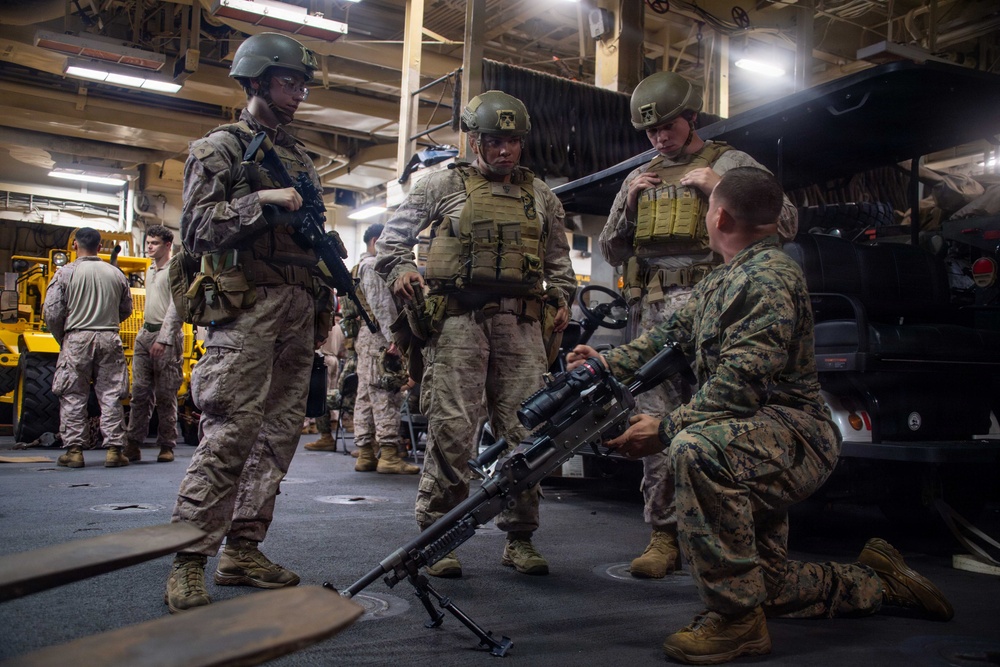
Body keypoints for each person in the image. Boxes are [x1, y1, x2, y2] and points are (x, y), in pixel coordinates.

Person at [569, 167, 953, 664]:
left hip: (794, 436)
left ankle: (736, 623)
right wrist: (604, 363)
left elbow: (737, 389)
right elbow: (665, 339)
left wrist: (664, 430)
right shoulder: (724, 278)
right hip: (754, 435)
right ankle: (879, 581)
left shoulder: (767, 278)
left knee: (696, 450)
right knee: (763, 585)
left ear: (719, 216)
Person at [599, 71, 799, 579]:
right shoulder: (639, 176)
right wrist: (629, 207)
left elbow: (788, 222)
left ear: (692, 118)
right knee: (653, 421)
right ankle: (664, 535)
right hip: (655, 314)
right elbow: (611, 250)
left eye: (668, 126)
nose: (659, 137)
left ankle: (734, 538)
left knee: (725, 421)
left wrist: (721, 189)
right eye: (651, 131)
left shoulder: (731, 164)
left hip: (721, 314)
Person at [165, 32, 334, 613]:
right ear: (256, 81)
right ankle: (189, 560)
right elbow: (196, 231)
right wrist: (261, 202)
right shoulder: (219, 149)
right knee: (229, 434)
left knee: (278, 437)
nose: (299, 95)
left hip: (297, 310)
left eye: (303, 86)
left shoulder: (301, 159)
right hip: (246, 312)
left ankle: (242, 549)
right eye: (289, 83)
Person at [376, 90, 577, 577]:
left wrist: (562, 298)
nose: (505, 150)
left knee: (527, 432)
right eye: (493, 141)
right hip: (457, 324)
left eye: (513, 141)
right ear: (474, 141)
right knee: (452, 430)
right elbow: (391, 242)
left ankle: (520, 536)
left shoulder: (541, 196)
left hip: (521, 327)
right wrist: (402, 269)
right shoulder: (440, 185)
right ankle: (436, 537)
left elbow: (558, 264)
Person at [44, 227, 133, 469]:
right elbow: (126, 309)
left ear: (75, 245)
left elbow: (52, 312)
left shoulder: (65, 273)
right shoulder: (116, 274)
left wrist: (64, 337)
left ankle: (74, 452)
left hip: (77, 338)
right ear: (100, 247)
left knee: (73, 393)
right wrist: (106, 321)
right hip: (109, 337)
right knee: (111, 394)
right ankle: (114, 451)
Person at [342, 223, 419, 474]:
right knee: (387, 391)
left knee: (366, 395)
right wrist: (394, 339)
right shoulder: (373, 266)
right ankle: (388, 455)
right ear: (376, 241)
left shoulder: (358, 267)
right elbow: (382, 305)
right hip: (380, 337)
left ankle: (366, 453)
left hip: (368, 336)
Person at [123, 225, 183, 464]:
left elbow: (177, 308)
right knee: (139, 393)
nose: (149, 247)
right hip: (145, 334)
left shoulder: (175, 270)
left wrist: (164, 339)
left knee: (166, 394)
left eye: (154, 243)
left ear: (167, 245)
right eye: (148, 242)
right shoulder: (149, 269)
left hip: (166, 338)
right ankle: (133, 444)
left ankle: (167, 445)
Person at [304, 309, 347, 451]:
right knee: (331, 390)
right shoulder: (339, 327)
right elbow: (343, 347)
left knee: (319, 394)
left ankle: (309, 424)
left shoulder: (320, 325)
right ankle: (333, 420)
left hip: (323, 358)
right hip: (335, 359)